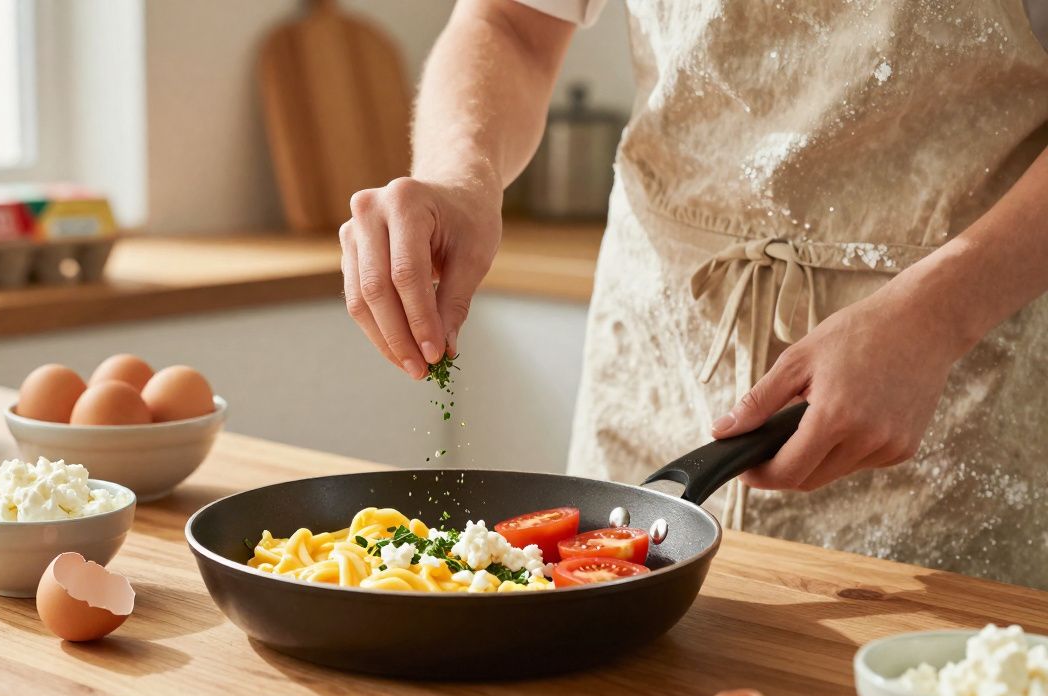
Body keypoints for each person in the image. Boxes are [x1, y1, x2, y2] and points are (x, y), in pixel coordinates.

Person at [338, 0, 1048, 588]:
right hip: (661, 338)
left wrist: (939, 315)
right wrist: (461, 173)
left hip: (953, 358)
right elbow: (511, 23)